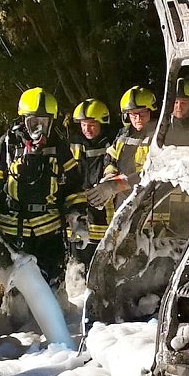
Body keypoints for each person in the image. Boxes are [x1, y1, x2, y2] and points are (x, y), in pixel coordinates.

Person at [0, 87, 87, 286]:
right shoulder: (6, 147)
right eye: (34, 122)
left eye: (44, 122)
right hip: (13, 232)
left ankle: (54, 316)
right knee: (18, 287)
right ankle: (17, 316)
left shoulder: (59, 148)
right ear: (23, 121)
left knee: (52, 284)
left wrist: (77, 216)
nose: (39, 129)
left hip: (49, 234)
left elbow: (73, 186)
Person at [86, 86, 157, 210]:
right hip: (124, 203)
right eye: (133, 114)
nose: (138, 118)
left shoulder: (159, 137)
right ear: (126, 116)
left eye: (142, 113)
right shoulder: (122, 136)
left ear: (151, 111)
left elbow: (155, 172)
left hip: (152, 205)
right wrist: (109, 177)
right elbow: (110, 160)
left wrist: (116, 185)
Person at [68, 98, 114, 264]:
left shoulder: (110, 144)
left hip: (103, 213)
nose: (87, 129)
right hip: (78, 213)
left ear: (102, 123)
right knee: (76, 261)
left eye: (92, 124)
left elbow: (112, 167)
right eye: (83, 124)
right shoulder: (73, 145)